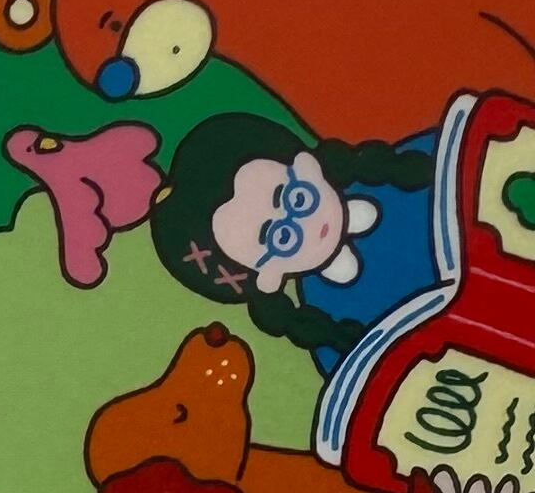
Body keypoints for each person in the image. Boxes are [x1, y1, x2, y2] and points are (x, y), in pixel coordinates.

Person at [151, 116, 443, 367]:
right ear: (268, 277)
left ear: (307, 165)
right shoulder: (325, 309)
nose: (307, 226)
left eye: (298, 198)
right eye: (282, 238)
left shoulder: (402, 170)